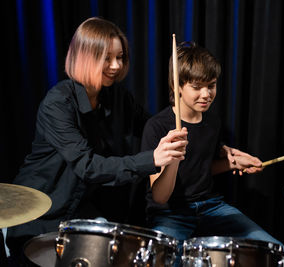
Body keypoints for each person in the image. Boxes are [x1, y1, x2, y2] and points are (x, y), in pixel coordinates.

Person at [6, 17, 188, 265]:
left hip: (78, 211)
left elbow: (153, 128)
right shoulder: (58, 103)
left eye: (120, 57)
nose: (116, 65)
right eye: (107, 58)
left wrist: (215, 145)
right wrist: (152, 159)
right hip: (39, 213)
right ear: (84, 57)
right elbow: (87, 166)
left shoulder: (116, 96)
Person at [140, 42, 284, 265]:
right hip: (171, 214)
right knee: (161, 261)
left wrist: (233, 164)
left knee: (278, 254)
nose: (206, 94)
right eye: (197, 86)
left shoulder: (212, 122)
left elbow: (201, 169)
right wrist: (172, 159)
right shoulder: (157, 127)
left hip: (211, 207)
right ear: (177, 85)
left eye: (211, 85)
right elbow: (160, 196)